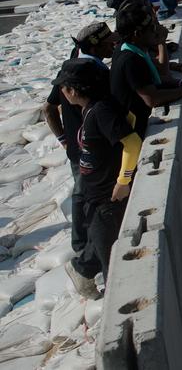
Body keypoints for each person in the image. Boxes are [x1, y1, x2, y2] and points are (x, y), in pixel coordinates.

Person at [55, 57, 141, 299]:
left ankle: (112, 297)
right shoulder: (91, 109)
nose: (61, 92)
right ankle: (82, 271)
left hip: (107, 198)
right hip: (96, 195)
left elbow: (132, 143)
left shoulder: (101, 111)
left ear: (73, 89)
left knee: (111, 260)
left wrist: (123, 181)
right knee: (100, 242)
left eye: (63, 87)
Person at [43, 22, 115, 279]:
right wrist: (64, 140)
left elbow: (50, 108)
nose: (113, 44)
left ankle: (85, 252)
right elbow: (48, 108)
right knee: (92, 203)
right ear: (94, 45)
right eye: (108, 42)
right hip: (90, 152)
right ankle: (84, 258)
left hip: (86, 148)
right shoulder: (81, 72)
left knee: (84, 197)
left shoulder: (81, 65)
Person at [111, 1, 182, 133]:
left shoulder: (129, 49)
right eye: (152, 29)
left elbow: (158, 78)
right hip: (135, 130)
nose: (156, 31)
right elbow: (152, 99)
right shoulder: (131, 60)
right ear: (137, 35)